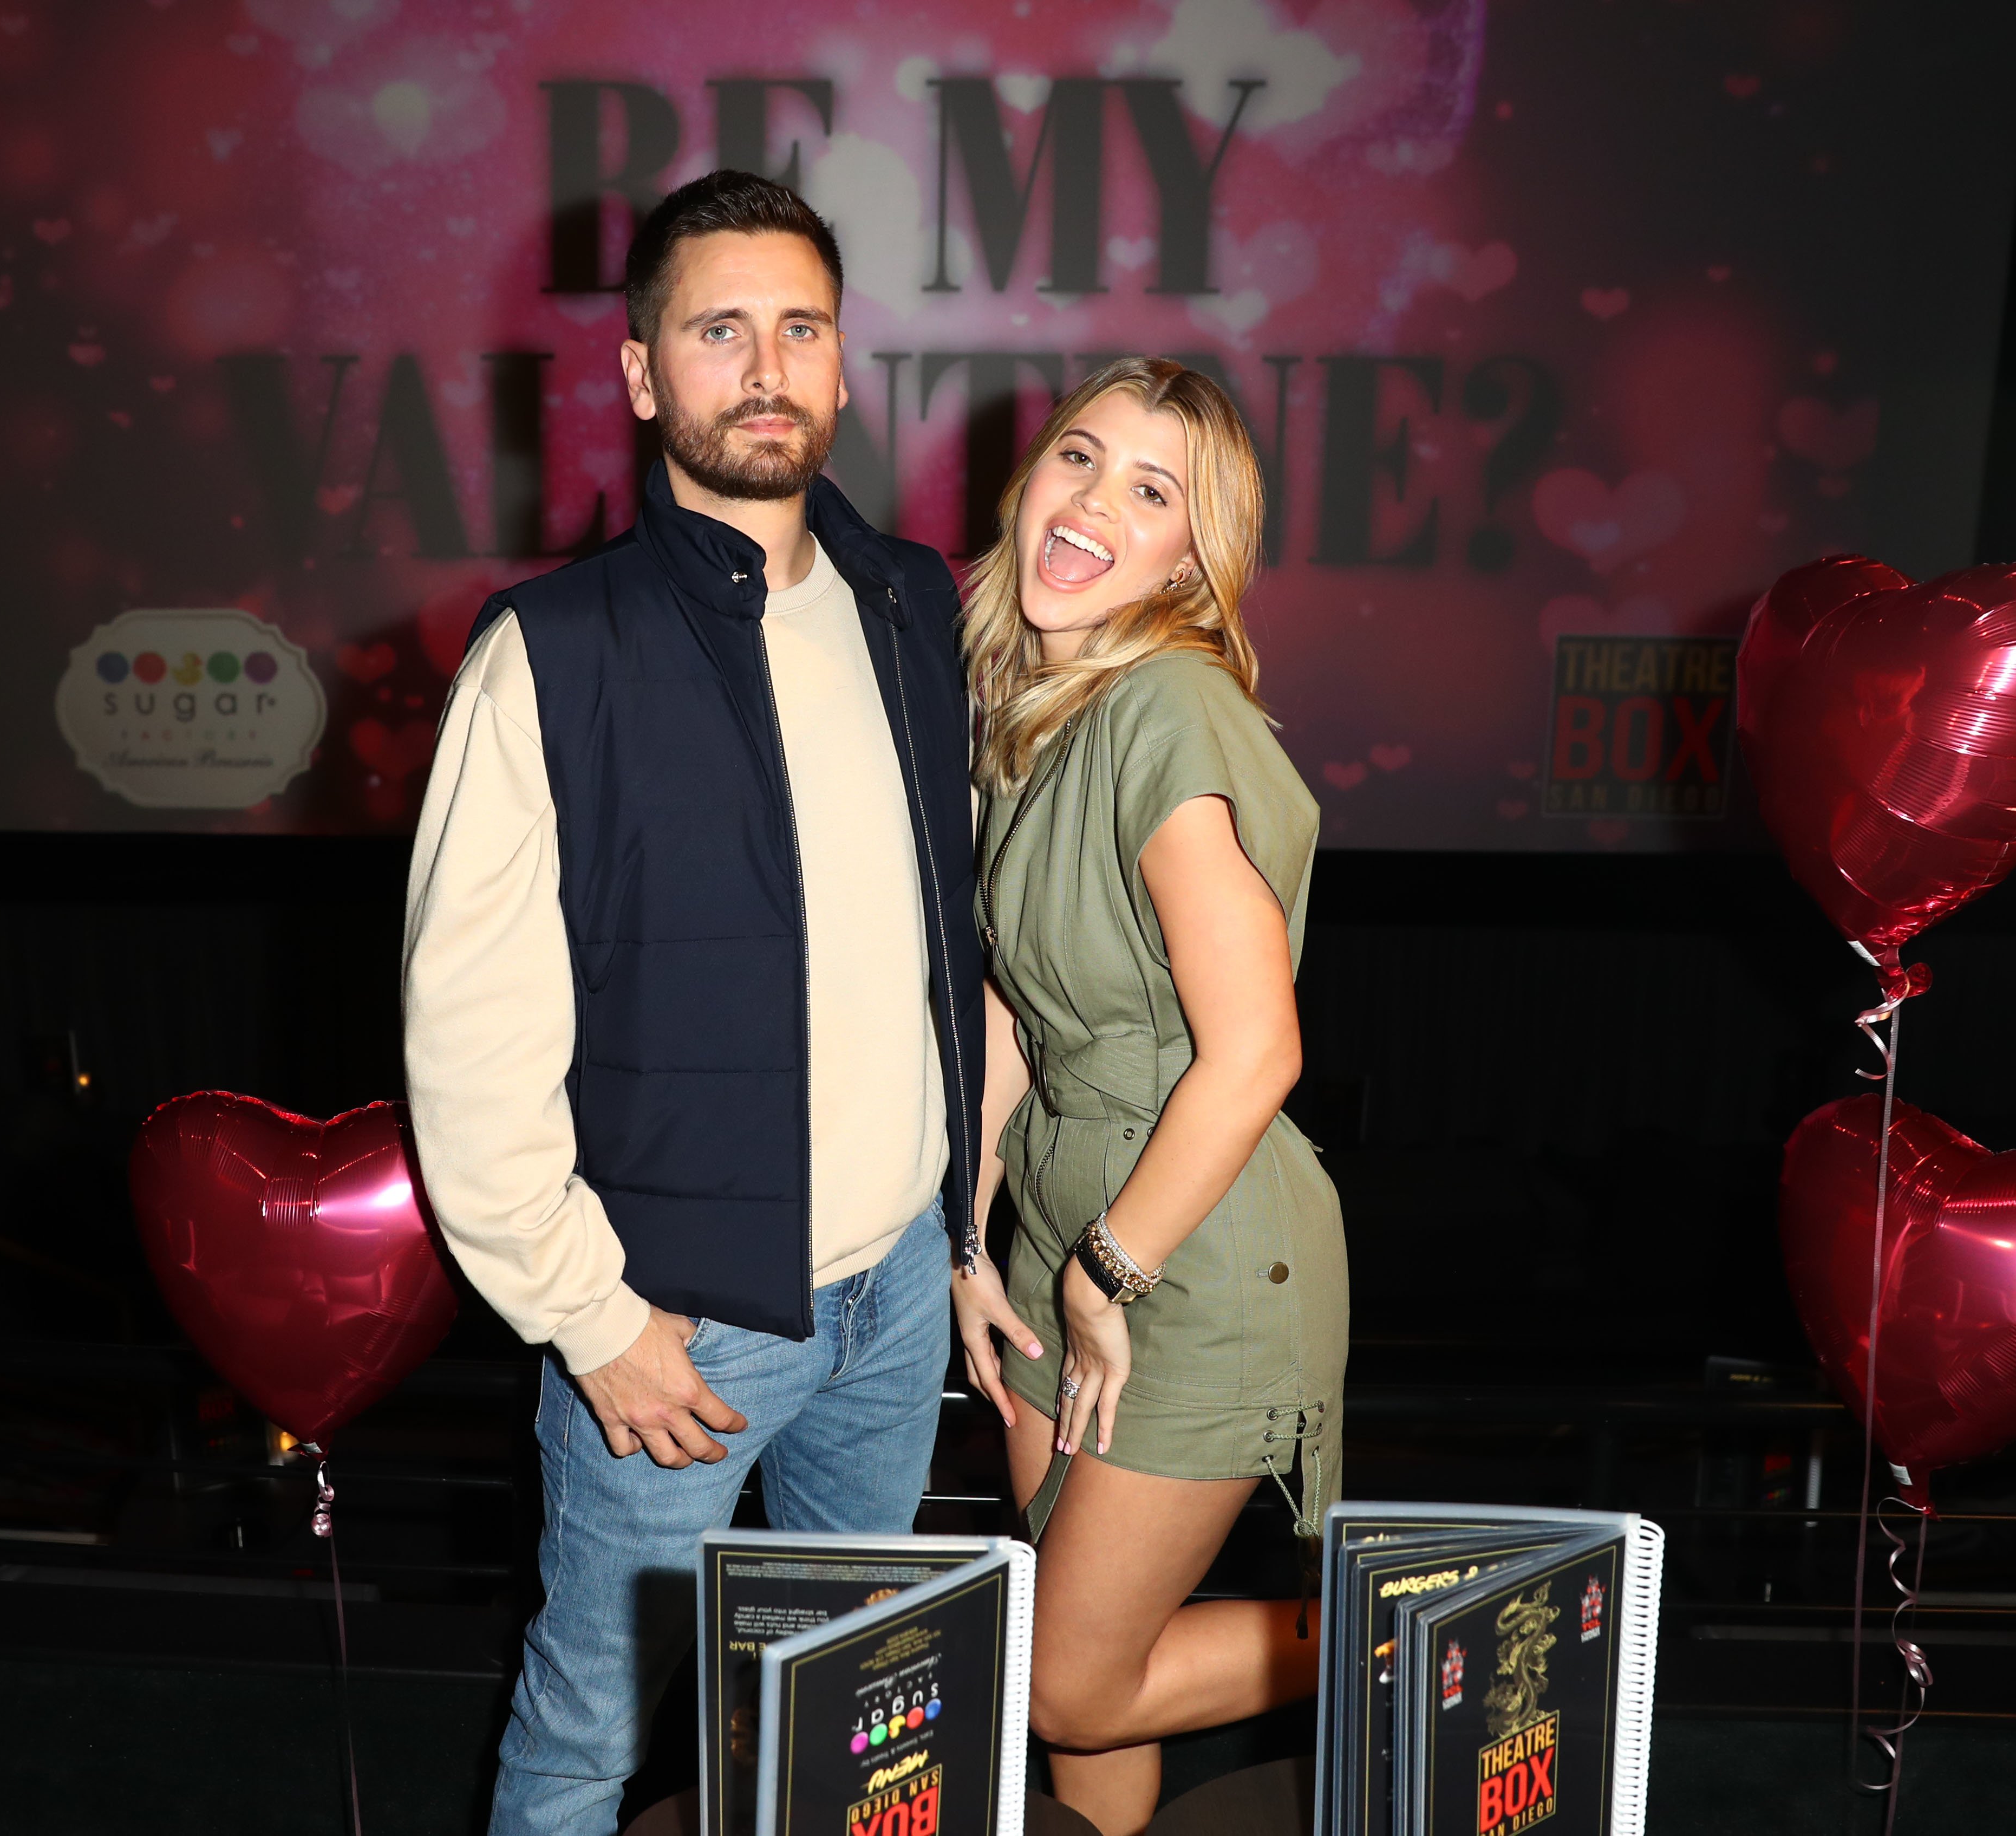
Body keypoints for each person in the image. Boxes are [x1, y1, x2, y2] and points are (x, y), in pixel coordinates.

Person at [401, 171, 984, 1836]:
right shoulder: (549, 652)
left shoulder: (909, 606)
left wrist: (955, 1238)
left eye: (798, 328)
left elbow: (942, 956)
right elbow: (469, 1044)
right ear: (643, 373)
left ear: (843, 363)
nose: (763, 367)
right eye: (716, 329)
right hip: (676, 1330)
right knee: (590, 1726)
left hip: (890, 1300)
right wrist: (591, 1319)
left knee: (843, 1730)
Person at [948, 359, 1348, 1836]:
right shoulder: (1033, 709)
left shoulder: (1170, 705)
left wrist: (1108, 1267)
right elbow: (1013, 1005)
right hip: (1067, 1233)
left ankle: (1425, 1634)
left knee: (1067, 1680)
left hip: (1185, 1252)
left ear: (1193, 555)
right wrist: (966, 1237)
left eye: (1150, 489)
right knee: (1070, 1668)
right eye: (1075, 456)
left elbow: (1256, 1047)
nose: (1090, 501)